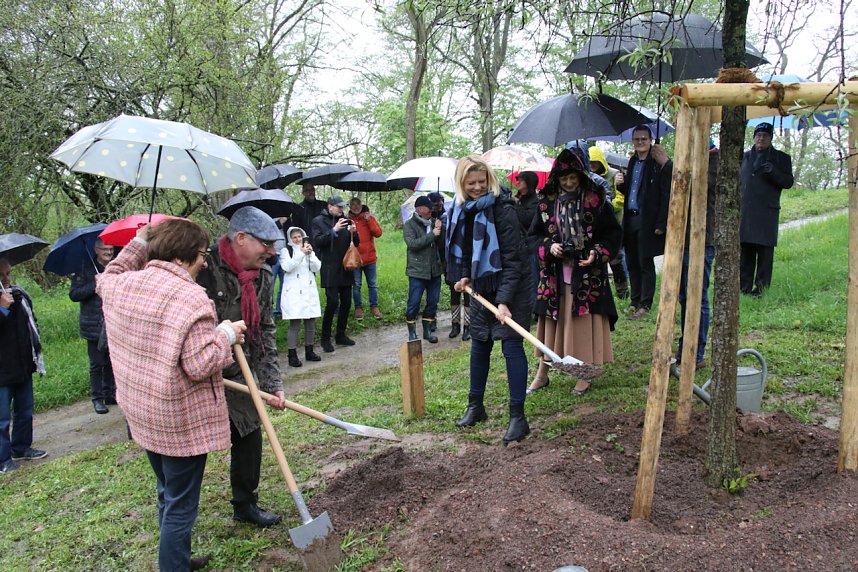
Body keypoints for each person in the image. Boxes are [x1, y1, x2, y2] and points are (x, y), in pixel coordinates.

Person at [96, 219, 247, 570]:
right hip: (178, 421)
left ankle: (176, 556)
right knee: (181, 503)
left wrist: (138, 242)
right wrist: (225, 334)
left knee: (168, 491)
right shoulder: (191, 297)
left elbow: (108, 274)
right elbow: (201, 364)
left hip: (142, 412)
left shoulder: (123, 285)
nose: (205, 262)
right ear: (182, 258)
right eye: (200, 254)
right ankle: (174, 566)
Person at [196, 206, 287, 529]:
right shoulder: (201, 269)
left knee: (249, 434)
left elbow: (264, 329)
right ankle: (181, 520)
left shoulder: (263, 275)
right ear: (241, 238)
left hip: (240, 369)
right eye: (266, 243)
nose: (272, 251)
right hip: (200, 372)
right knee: (192, 450)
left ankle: (245, 503)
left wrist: (272, 381)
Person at [446, 155, 533, 445]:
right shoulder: (460, 212)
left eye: (482, 181)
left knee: (511, 345)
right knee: (480, 342)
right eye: (471, 183)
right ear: (461, 183)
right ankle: (476, 407)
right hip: (482, 286)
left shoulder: (504, 210)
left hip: (513, 284)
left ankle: (518, 418)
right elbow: (463, 253)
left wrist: (505, 300)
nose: (478, 187)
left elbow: (513, 259)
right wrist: (463, 277)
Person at [527, 149, 622, 396]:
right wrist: (550, 246)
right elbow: (534, 236)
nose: (568, 182)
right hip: (554, 276)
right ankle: (542, 373)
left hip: (586, 276)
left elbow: (612, 234)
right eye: (563, 178)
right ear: (556, 177)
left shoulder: (596, 200)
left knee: (581, 325)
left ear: (581, 175)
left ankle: (584, 371)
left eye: (573, 177)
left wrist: (596, 252)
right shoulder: (546, 202)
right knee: (551, 326)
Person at [616, 124, 673, 320]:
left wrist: (661, 223)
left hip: (647, 219)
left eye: (644, 139)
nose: (640, 142)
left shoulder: (656, 161)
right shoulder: (632, 161)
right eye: (637, 139)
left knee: (644, 262)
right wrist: (621, 185)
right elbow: (633, 190)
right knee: (631, 262)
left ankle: (645, 304)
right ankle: (635, 299)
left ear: (650, 141)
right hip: (630, 218)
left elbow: (665, 192)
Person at [674, 142, 719, 374]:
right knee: (684, 297)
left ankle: (697, 352)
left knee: (697, 297)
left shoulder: (715, 160)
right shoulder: (686, 157)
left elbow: (700, 186)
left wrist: (667, 165)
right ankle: (686, 346)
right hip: (681, 239)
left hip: (702, 240)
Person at [0, 258, 47, 474]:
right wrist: (2, 309)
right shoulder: (4, 300)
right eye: (2, 276)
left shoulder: (18, 295)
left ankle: (21, 447)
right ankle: (3, 459)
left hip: (22, 363)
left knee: (24, 410)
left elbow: (30, 326)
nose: (7, 279)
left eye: (8, 273)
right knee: (2, 418)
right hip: (2, 371)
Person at [740, 122, 795, 296]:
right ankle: (744, 288)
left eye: (765, 135)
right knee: (746, 252)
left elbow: (788, 182)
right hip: (747, 213)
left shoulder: (781, 158)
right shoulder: (744, 157)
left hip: (767, 213)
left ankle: (762, 289)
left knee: (765, 253)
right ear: (754, 137)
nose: (761, 138)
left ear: (770, 138)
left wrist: (774, 172)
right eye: (758, 135)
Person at [69, 238, 116, 414]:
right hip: (93, 324)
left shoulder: (115, 268)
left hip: (112, 321)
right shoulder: (85, 269)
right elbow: (74, 294)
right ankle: (97, 398)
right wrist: (96, 283)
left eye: (111, 249)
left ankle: (109, 393)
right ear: (96, 250)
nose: (109, 253)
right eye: (105, 250)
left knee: (111, 361)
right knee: (96, 363)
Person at [311, 195, 360, 352]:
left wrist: (354, 232)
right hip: (330, 267)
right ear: (329, 206)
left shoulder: (347, 220)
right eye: (338, 207)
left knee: (346, 302)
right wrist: (333, 230)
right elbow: (317, 242)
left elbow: (356, 243)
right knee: (332, 303)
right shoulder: (318, 221)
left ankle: (340, 335)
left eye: (342, 207)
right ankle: (325, 339)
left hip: (346, 266)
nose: (341, 209)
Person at [429, 191, 471, 340]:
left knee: (467, 294)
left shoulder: (449, 218)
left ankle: (468, 326)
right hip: (450, 260)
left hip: (467, 260)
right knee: (454, 292)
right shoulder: (441, 219)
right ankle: (455, 324)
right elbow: (441, 243)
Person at [590, 145, 630, 300]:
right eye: (591, 162)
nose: (593, 165)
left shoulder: (614, 174)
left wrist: (607, 207)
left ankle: (622, 291)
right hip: (595, 225)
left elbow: (621, 197)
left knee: (616, 258)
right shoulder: (588, 177)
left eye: (595, 162)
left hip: (614, 220)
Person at [279, 226, 322, 367]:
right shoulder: (286, 251)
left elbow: (317, 267)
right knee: (295, 324)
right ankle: (292, 354)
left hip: (308, 290)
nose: (297, 239)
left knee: (310, 322)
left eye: (299, 236)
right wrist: (300, 254)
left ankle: (309, 351)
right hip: (294, 292)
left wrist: (309, 254)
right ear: (290, 239)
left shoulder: (309, 249)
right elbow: (287, 267)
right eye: (294, 237)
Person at [404, 195, 443, 342]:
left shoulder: (434, 222)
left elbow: (441, 243)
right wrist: (432, 234)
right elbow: (413, 244)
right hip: (417, 271)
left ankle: (427, 332)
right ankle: (412, 332)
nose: (431, 210)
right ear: (419, 209)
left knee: (433, 302)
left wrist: (440, 230)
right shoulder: (409, 225)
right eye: (428, 207)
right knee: (413, 303)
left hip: (434, 270)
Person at [348, 197, 383, 321]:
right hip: (355, 259)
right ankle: (358, 307)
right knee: (356, 284)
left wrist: (369, 220)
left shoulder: (368, 218)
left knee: (372, 284)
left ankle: (374, 306)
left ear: (362, 205)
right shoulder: (347, 221)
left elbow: (378, 233)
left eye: (358, 204)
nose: (356, 206)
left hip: (369, 258)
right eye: (353, 204)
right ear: (349, 206)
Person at [513, 171, 541, 309]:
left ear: (528, 183)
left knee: (533, 279)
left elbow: (526, 220)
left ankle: (534, 310)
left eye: (521, 180)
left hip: (532, 247)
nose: (517, 182)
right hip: (520, 247)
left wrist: (515, 205)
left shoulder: (536, 202)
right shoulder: (521, 200)